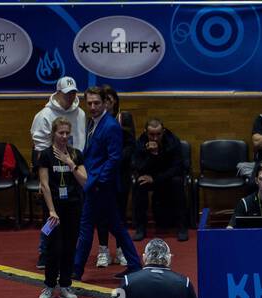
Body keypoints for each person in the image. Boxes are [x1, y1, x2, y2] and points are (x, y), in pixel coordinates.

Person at [72, 86, 141, 280]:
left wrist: (99, 182)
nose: (92, 107)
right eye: (89, 103)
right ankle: (135, 264)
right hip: (96, 183)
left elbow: (114, 158)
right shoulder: (92, 123)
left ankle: (76, 270)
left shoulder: (110, 126)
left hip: (100, 186)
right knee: (116, 226)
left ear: (105, 103)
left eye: (96, 103)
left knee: (86, 226)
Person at [31, 77, 85, 268]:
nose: (71, 97)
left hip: (72, 167)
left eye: (73, 93)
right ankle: (44, 251)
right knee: (51, 217)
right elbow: (40, 149)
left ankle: (69, 252)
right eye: (67, 93)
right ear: (58, 93)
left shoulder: (80, 114)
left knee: (73, 217)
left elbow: (80, 142)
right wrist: (42, 179)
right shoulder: (44, 115)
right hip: (52, 170)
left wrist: (76, 165)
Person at [36, 117, 86, 298]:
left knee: (69, 247)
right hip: (53, 208)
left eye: (67, 133)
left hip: (73, 206)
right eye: (60, 133)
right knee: (53, 247)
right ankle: (49, 285)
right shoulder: (46, 155)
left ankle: (65, 285)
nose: (64, 136)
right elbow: (44, 184)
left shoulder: (76, 154)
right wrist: (51, 210)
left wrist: (70, 163)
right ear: (53, 134)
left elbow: (85, 181)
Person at [91, 86, 135, 268]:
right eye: (104, 100)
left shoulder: (124, 117)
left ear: (115, 101)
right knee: (101, 214)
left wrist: (115, 159)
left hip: (120, 173)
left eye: (109, 100)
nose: (107, 103)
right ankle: (103, 250)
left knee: (119, 213)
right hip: (102, 173)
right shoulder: (94, 120)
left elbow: (131, 145)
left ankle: (120, 250)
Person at [131, 118, 188, 242]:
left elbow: (177, 168)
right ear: (146, 132)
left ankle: (182, 227)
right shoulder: (140, 143)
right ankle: (140, 228)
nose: (155, 138)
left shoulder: (173, 141)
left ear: (163, 131)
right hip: (149, 176)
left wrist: (155, 179)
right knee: (140, 183)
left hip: (168, 177)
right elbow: (138, 167)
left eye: (158, 134)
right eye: (152, 135)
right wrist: (152, 155)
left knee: (177, 182)